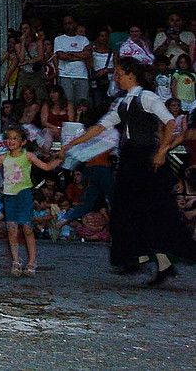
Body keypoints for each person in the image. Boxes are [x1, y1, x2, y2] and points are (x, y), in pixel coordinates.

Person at [61, 57, 196, 284]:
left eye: (119, 73)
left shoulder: (147, 97)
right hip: (131, 159)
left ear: (130, 74)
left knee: (153, 211)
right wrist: (72, 143)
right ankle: (142, 257)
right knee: (126, 209)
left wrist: (162, 151)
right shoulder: (123, 102)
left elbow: (170, 122)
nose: (116, 77)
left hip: (147, 159)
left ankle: (150, 259)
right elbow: (100, 126)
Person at [0, 125, 61, 276]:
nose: (11, 141)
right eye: (9, 138)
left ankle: (32, 261)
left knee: (27, 228)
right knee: (12, 229)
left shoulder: (28, 156)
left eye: (15, 138)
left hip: (24, 195)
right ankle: (16, 260)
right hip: (9, 196)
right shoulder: (3, 157)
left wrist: (60, 158)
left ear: (23, 142)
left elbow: (46, 167)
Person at [53, 14, 92, 107]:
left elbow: (87, 54)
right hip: (65, 75)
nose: (68, 26)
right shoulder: (59, 39)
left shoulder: (84, 39)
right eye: (65, 24)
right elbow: (61, 56)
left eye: (70, 23)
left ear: (75, 23)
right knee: (67, 103)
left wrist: (71, 53)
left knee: (82, 103)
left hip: (81, 75)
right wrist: (79, 55)